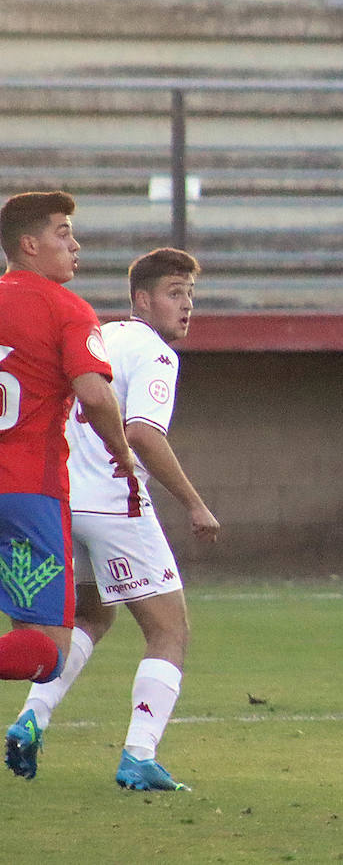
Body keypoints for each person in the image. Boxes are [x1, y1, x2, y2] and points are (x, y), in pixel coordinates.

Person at [7, 247, 219, 792]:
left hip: (60, 504)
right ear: (142, 299)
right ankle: (138, 756)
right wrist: (194, 502)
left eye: (190, 294)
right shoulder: (155, 354)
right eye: (176, 293)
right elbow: (145, 432)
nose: (187, 305)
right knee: (169, 630)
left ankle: (34, 716)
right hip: (114, 507)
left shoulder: (99, 334)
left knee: (93, 617)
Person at [0, 191, 136, 748]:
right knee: (48, 650)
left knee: (24, 639)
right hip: (28, 492)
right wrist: (123, 453)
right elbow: (96, 397)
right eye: (63, 232)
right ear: (30, 245)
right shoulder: (66, 309)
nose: (75, 245)